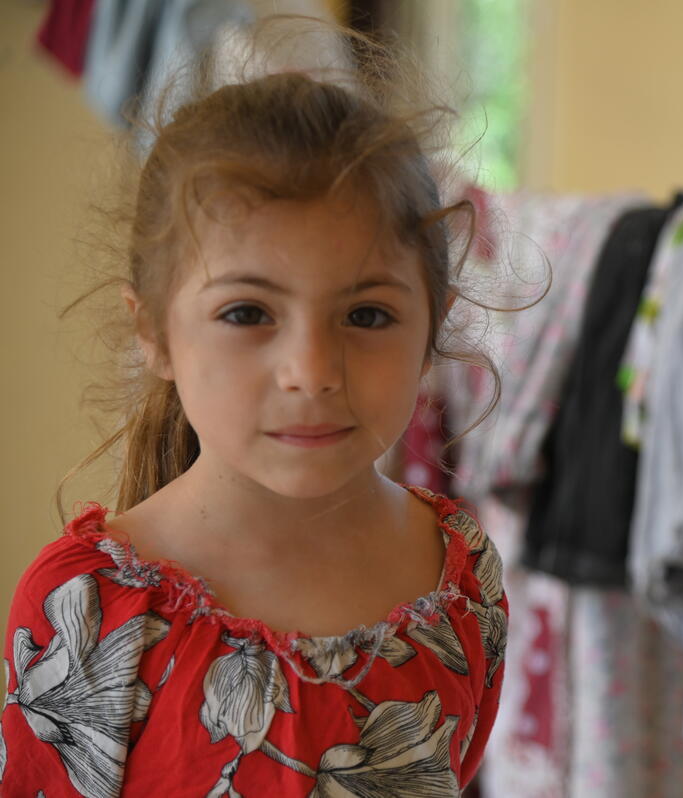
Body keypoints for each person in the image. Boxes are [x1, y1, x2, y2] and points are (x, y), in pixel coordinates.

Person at [0, 18, 507, 798]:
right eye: (247, 313)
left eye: (366, 315)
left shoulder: (461, 579)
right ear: (155, 334)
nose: (310, 372)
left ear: (430, 335)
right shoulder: (89, 608)